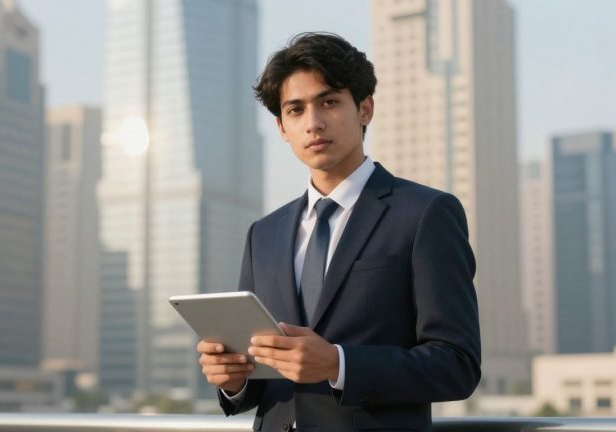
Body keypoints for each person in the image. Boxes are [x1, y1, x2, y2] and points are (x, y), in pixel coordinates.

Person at [197, 32, 481, 432]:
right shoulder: (263, 234)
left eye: (329, 102)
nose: (313, 123)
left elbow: (458, 364)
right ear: (281, 128)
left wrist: (338, 363)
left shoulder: (425, 214)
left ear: (365, 109)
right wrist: (234, 380)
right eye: (295, 110)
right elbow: (264, 380)